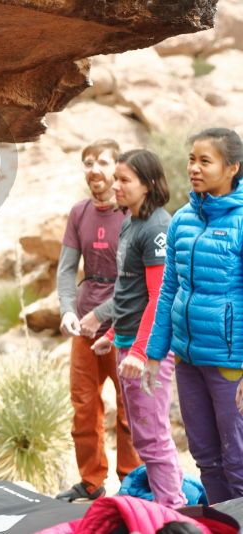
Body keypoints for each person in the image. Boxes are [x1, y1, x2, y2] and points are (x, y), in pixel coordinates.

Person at [148, 128, 243, 504]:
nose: (194, 168)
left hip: (230, 363)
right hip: (188, 358)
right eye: (191, 159)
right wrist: (156, 352)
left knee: (238, 458)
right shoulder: (182, 219)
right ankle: (222, 523)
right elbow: (169, 288)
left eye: (206, 161)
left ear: (233, 167)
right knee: (204, 455)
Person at [91, 149, 185, 508]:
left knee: (152, 435)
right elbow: (128, 289)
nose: (115, 186)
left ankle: (173, 512)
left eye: (124, 180)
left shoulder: (157, 227)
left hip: (148, 352)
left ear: (147, 185)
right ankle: (168, 506)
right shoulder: (130, 220)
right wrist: (113, 335)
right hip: (128, 344)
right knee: (143, 436)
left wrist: (143, 352)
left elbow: (158, 297)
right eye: (115, 178)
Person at [55, 139, 141, 502]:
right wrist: (67, 310)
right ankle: (91, 481)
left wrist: (99, 316)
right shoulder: (79, 213)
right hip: (84, 325)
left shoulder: (133, 215)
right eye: (87, 162)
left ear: (117, 168)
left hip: (123, 324)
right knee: (84, 404)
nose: (93, 169)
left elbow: (135, 280)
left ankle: (132, 482)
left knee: (128, 408)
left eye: (102, 162)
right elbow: (65, 270)